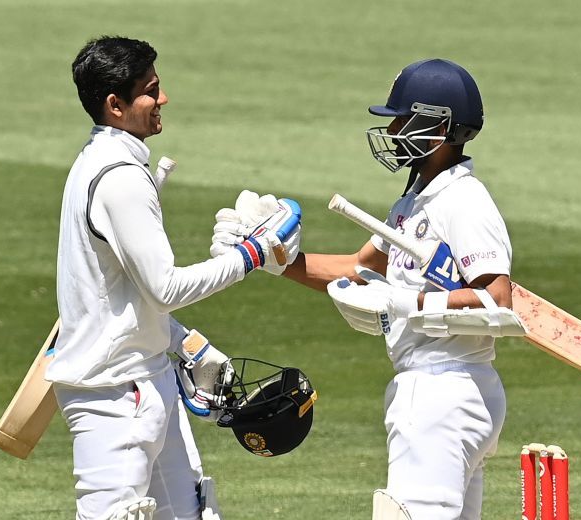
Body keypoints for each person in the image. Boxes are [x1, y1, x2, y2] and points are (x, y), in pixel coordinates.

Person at [213, 58, 513, 519]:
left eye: (402, 119)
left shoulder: (463, 201)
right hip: (447, 389)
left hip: (442, 391)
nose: (392, 129)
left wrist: (404, 302)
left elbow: (496, 298)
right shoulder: (415, 202)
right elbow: (357, 268)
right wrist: (269, 261)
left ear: (438, 126)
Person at [46, 36, 300, 520]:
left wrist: (183, 343)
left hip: (144, 379)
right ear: (115, 105)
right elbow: (166, 288)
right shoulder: (119, 177)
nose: (163, 99)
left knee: (191, 512)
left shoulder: (101, 162)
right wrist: (253, 254)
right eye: (151, 90)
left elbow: (122, 294)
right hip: (113, 394)